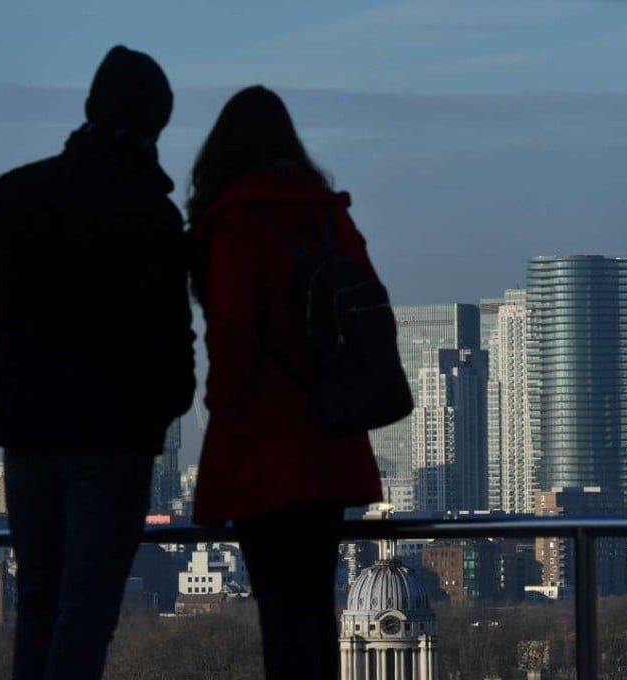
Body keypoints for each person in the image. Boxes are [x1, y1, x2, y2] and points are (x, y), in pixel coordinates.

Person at [0, 45, 196, 680]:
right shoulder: (150, 213)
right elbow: (178, 346)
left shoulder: (18, 193)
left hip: (31, 434)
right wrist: (158, 410)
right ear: (153, 125)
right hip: (113, 443)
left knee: (39, 603)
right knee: (86, 611)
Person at [186, 85, 384, 680]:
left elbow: (232, 335)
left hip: (262, 449)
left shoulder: (235, 222)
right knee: (315, 609)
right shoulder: (328, 214)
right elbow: (372, 312)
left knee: (280, 612)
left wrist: (221, 411)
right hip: (330, 439)